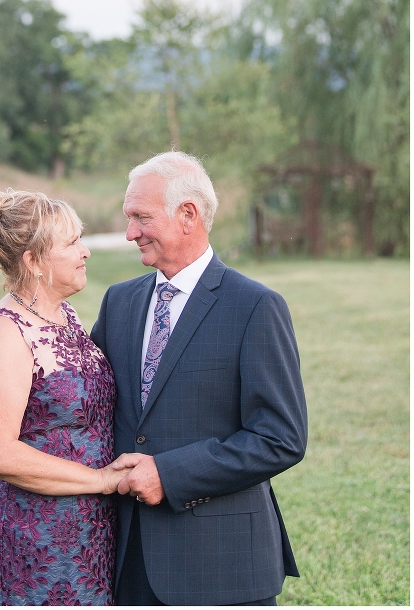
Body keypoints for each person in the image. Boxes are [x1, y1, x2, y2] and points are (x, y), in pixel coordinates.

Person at [91, 151, 308, 607]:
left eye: (140, 217)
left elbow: (280, 438)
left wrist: (168, 475)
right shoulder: (119, 303)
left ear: (187, 215)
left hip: (222, 565)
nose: (130, 232)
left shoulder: (254, 307)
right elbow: (92, 407)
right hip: (127, 561)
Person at [0, 188, 129, 606]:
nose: (85, 252)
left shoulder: (63, 316)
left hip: (86, 530)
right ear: (33, 262)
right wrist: (102, 480)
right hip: (31, 534)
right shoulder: (5, 333)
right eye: (71, 243)